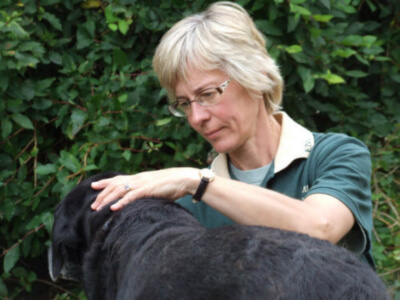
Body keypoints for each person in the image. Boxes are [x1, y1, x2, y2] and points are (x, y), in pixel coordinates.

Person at [90, 1, 374, 267]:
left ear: (257, 76)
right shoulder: (188, 206)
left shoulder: (337, 155)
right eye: (184, 104)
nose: (196, 117)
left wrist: (196, 182)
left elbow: (319, 227)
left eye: (208, 94)